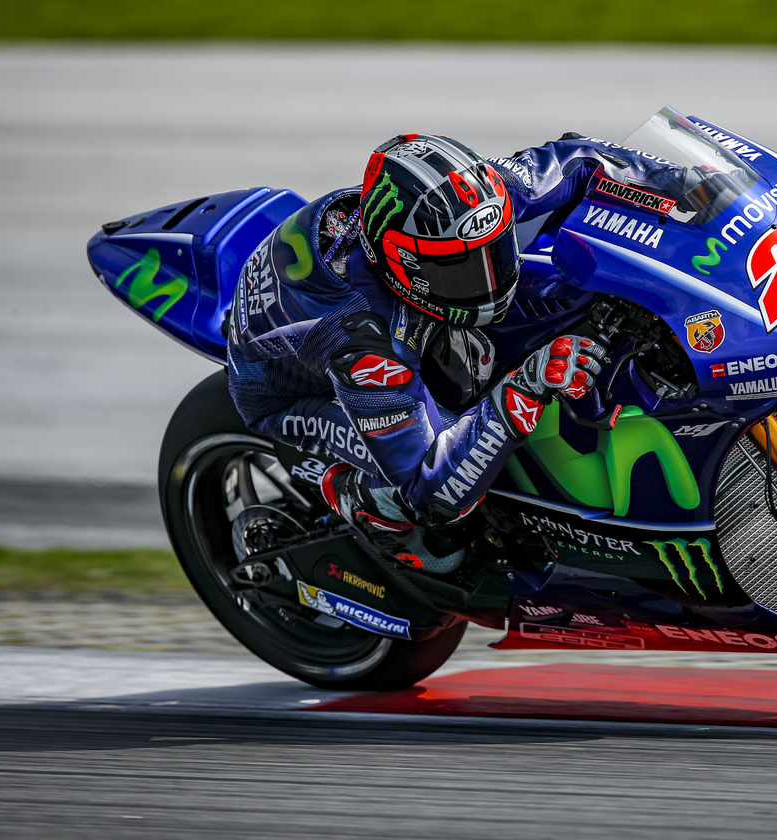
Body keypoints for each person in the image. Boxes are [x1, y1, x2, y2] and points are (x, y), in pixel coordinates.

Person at [226, 133, 612, 573]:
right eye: (458, 269)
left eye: (494, 251)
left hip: (342, 303)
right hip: (293, 395)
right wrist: (523, 389)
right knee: (449, 498)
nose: (488, 280)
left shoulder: (470, 201)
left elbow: (583, 156)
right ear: (401, 262)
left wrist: (678, 184)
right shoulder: (363, 342)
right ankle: (365, 503)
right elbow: (433, 488)